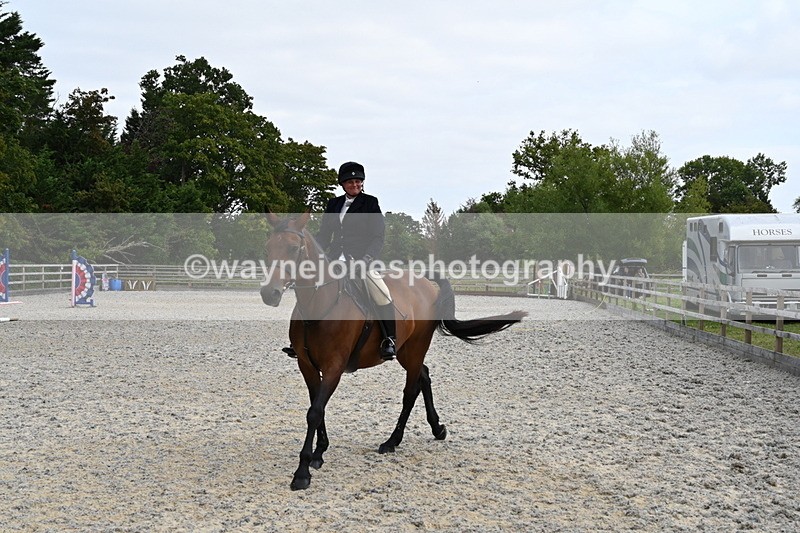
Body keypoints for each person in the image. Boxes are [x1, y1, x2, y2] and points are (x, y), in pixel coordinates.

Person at [283, 161, 397, 361]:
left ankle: (389, 339)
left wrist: (366, 259)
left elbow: (378, 236)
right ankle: (298, 339)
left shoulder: (370, 202)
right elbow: (325, 235)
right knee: (308, 287)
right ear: (342, 184)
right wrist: (310, 252)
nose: (355, 185)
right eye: (350, 182)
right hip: (333, 259)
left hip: (361, 260)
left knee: (382, 292)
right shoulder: (333, 204)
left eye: (358, 181)